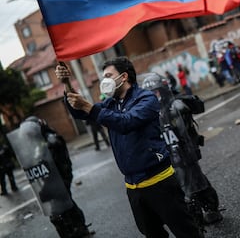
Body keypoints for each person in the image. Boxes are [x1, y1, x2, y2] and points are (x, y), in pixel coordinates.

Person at [55, 57, 203, 238]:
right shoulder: (111, 103)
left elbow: (127, 122)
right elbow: (80, 112)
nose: (104, 81)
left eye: (108, 76)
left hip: (160, 182)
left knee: (186, 231)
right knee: (152, 232)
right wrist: (66, 84)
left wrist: (89, 107)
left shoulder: (146, 98)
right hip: (133, 187)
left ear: (123, 77)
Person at [142, 73, 223, 230]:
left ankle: (209, 210)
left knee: (196, 184)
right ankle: (196, 218)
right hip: (168, 157)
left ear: (163, 90)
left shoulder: (175, 107)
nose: (154, 96)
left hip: (185, 153)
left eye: (156, 92)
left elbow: (185, 131)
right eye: (150, 94)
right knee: (184, 189)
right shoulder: (150, 112)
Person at [24, 116, 94, 237]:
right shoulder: (39, 142)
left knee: (59, 211)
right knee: (67, 205)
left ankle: (74, 232)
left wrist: (63, 182)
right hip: (51, 180)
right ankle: (80, 229)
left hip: (60, 179)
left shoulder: (52, 140)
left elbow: (60, 164)